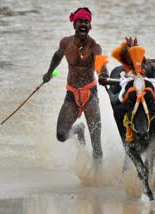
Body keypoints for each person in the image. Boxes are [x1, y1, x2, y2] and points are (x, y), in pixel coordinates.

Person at [42, 7, 108, 163]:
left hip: (90, 95)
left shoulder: (95, 47)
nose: (83, 24)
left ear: (90, 26)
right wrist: (49, 72)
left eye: (86, 21)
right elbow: (57, 56)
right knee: (61, 135)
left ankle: (97, 181)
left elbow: (101, 65)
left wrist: (104, 75)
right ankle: (78, 129)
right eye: (80, 21)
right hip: (71, 95)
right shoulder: (65, 43)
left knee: (96, 144)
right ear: (74, 24)